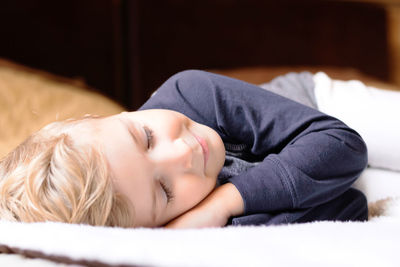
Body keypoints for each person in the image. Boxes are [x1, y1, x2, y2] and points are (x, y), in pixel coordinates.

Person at [0, 70, 370, 228]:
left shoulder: (189, 94)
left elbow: (344, 145)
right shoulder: (187, 228)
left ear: (110, 115)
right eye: (163, 191)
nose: (182, 153)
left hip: (319, 107)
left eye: (145, 137)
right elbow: (351, 205)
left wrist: (223, 203)